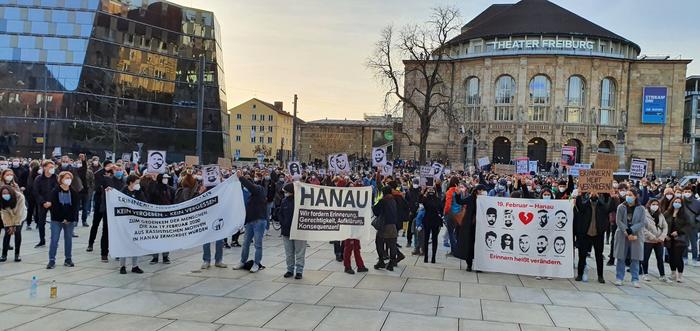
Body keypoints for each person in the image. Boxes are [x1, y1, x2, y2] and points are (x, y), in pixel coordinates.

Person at [233, 171, 268, 273]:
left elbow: (250, 187)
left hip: (259, 221)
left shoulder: (259, 189)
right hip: (250, 221)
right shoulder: (248, 195)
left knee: (258, 244)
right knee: (246, 243)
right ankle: (242, 261)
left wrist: (241, 178)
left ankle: (256, 263)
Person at [574, 192, 611, 284]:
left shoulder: (601, 205)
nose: (593, 194)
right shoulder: (585, 204)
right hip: (585, 233)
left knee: (599, 255)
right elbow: (580, 207)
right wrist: (580, 194)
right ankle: (580, 274)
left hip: (598, 234)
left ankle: (600, 276)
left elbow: (608, 208)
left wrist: (608, 196)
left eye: (595, 193)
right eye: (591, 192)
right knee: (582, 255)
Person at [613, 189, 645, 287]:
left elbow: (642, 222)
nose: (628, 197)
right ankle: (619, 278)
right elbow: (618, 221)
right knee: (620, 257)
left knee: (635, 258)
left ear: (635, 196)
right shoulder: (621, 207)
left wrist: (632, 230)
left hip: (636, 235)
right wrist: (627, 230)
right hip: (622, 234)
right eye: (627, 195)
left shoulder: (641, 208)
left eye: (630, 195)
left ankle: (635, 279)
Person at [47, 171, 79, 269]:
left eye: (70, 177)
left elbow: (75, 207)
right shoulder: (55, 191)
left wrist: (69, 219)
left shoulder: (73, 192)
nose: (68, 179)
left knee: (68, 239)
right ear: (61, 179)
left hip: (69, 221)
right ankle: (52, 260)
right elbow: (54, 207)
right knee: (54, 239)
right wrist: (62, 218)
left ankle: (68, 259)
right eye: (66, 177)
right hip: (57, 220)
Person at [279, 183, 306, 279]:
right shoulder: (284, 201)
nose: (285, 194)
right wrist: (283, 223)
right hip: (286, 231)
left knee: (300, 252)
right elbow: (280, 214)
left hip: (299, 232)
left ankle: (299, 271)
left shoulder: (301, 201)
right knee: (289, 253)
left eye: (286, 192)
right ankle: (289, 270)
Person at [147, 173, 174, 264]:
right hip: (156, 216)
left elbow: (173, 201)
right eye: (164, 178)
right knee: (155, 237)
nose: (166, 179)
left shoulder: (170, 189)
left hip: (166, 216)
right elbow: (150, 196)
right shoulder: (154, 188)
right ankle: (155, 257)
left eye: (167, 178)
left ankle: (165, 256)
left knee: (166, 237)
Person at [664, 197, 692, 282]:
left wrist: (679, 232)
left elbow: (688, 226)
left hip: (680, 239)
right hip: (669, 238)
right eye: (675, 202)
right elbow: (663, 224)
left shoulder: (685, 214)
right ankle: (673, 273)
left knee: (678, 257)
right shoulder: (667, 213)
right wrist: (665, 234)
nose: (677, 203)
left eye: (679, 202)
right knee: (671, 256)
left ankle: (680, 275)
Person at [641, 198, 669, 282]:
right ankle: (645, 273)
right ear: (649, 205)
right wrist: (653, 237)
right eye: (653, 204)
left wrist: (662, 237)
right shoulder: (644, 214)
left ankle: (662, 275)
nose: (655, 206)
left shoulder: (660, 215)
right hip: (648, 240)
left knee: (660, 258)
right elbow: (643, 228)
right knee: (646, 257)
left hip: (659, 241)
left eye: (657, 204)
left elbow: (665, 226)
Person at [373, 186, 399, 271]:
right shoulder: (393, 200)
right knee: (392, 245)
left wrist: (377, 202)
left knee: (379, 242)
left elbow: (375, 211)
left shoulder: (383, 200)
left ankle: (381, 261)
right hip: (393, 225)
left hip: (384, 226)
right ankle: (391, 263)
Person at [32, 160, 58, 247]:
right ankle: (42, 240)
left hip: (53, 203)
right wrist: (43, 202)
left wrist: (51, 201)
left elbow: (57, 191)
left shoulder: (56, 178)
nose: (52, 169)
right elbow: (36, 192)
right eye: (50, 167)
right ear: (44, 168)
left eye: (53, 167)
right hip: (42, 203)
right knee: (41, 222)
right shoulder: (38, 179)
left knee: (55, 222)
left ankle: (54, 240)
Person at [0, 185, 26, 262]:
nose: (5, 195)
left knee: (17, 232)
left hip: (20, 215)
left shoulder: (20, 197)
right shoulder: (1, 199)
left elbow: (19, 212)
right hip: (8, 216)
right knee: (7, 233)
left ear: (11, 192)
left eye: (7, 193)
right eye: (3, 193)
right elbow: (4, 212)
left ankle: (17, 254)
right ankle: (4, 255)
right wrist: (9, 225)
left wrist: (15, 225)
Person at [421, 186, 443, 264]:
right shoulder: (438, 200)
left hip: (427, 220)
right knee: (434, 239)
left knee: (426, 238)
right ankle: (433, 257)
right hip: (435, 220)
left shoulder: (426, 199)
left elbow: (421, 200)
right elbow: (441, 209)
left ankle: (426, 257)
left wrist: (424, 192)